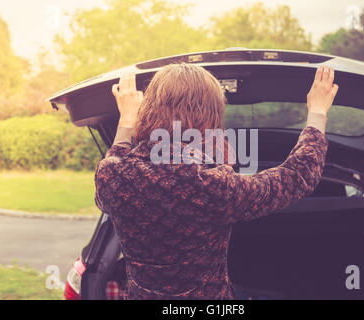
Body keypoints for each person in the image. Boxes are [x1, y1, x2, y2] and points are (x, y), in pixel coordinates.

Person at [94, 63, 339, 299]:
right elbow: (298, 175)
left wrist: (126, 119)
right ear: (209, 117)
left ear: (147, 111)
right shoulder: (212, 186)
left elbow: (115, 158)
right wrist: (317, 113)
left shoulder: (113, 177)